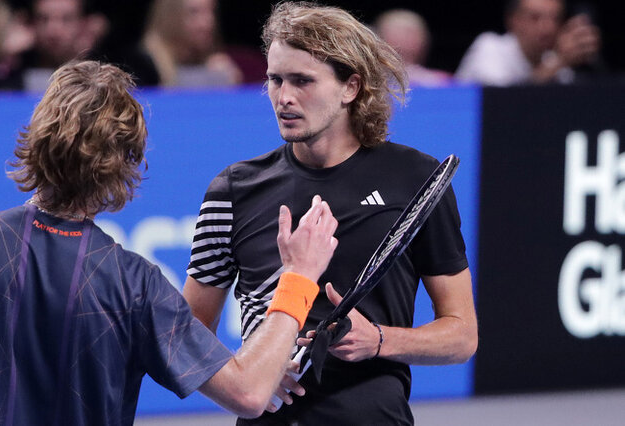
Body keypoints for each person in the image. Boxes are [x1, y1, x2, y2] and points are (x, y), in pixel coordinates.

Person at [0, 60, 339, 425]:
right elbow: (249, 393)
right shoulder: (136, 285)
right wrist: (298, 278)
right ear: (125, 164)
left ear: (39, 137)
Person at [183, 3, 478, 425]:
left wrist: (378, 340)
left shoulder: (415, 179)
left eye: (302, 81)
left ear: (350, 87)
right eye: (275, 80)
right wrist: (240, 380)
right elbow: (185, 335)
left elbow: (462, 335)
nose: (283, 97)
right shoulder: (232, 191)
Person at [455, 0, 601, 86]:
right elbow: (504, 104)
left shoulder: (556, 65)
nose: (547, 28)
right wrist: (558, 62)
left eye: (555, 19)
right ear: (512, 20)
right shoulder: (489, 47)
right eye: (535, 18)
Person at [139, 0, 243, 87]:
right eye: (194, 12)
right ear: (170, 16)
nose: (208, 23)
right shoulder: (143, 65)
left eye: (211, 12)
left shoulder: (213, 62)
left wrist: (228, 81)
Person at [372, 9, 452, 87]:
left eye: (410, 33)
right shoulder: (369, 82)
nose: (404, 40)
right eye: (398, 33)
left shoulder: (442, 82)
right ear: (378, 40)